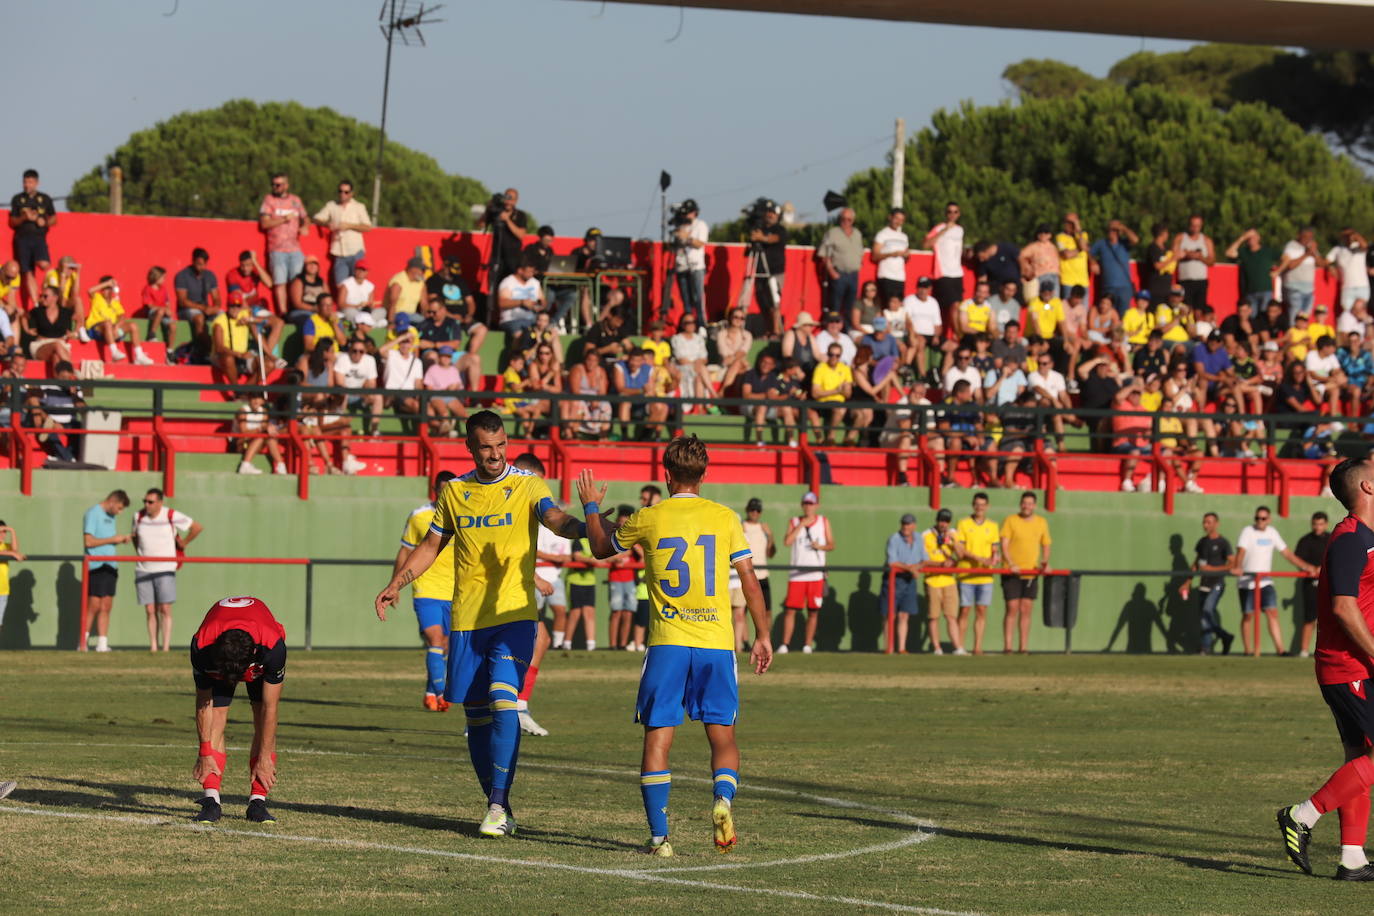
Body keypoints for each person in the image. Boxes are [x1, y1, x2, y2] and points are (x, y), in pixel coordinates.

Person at [374, 410, 588, 838]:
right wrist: (397, 582)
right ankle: (500, 805)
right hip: (468, 620)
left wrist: (590, 527)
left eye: (501, 445)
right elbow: (432, 544)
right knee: (474, 717)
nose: (495, 454)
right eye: (486, 447)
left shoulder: (526, 484)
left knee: (504, 700)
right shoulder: (453, 493)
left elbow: (555, 518)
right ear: (470, 447)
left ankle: (494, 804)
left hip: (514, 616)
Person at [576, 436, 773, 857]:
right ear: (705, 475)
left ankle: (660, 838)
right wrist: (762, 635)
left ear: (665, 476)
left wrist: (592, 508)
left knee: (658, 739)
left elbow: (598, 547)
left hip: (668, 644)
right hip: (716, 644)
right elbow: (751, 582)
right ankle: (722, 798)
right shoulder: (725, 518)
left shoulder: (650, 517)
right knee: (722, 736)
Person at [1276, 456, 1374, 881]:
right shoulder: (1352, 537)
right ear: (1367, 488)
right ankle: (1302, 814)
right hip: (1350, 665)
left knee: (1360, 757)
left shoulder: (1365, 535)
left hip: (1355, 665)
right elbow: (1344, 608)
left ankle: (1352, 858)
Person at [189, 595, 287, 825]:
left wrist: (265, 758)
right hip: (221, 656)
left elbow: (270, 709)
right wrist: (204, 752)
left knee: (260, 713)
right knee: (217, 718)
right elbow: (204, 704)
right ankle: (211, 800)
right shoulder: (202, 646)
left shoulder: (272, 647)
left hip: (259, 651)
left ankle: (258, 802)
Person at [393, 471, 460, 712]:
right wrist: (396, 584)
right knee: (434, 639)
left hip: (457, 591)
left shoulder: (463, 513)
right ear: (435, 490)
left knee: (447, 645)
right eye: (441, 490)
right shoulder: (419, 516)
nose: (444, 494)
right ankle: (442, 694)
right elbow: (405, 551)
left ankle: (431, 691)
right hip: (426, 589)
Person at [511, 452, 565, 736]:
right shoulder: (508, 502)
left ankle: (519, 707)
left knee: (540, 639)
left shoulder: (525, 505)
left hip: (520, 583)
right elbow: (504, 549)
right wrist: (535, 577)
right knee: (502, 649)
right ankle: (489, 715)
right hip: (503, 589)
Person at [1235, 505, 1318, 656]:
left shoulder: (1272, 533)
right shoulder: (1247, 531)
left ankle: (1280, 650)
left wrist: (1307, 567)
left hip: (1265, 581)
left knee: (1272, 612)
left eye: (1263, 518)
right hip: (1247, 581)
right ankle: (1248, 650)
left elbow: (1287, 554)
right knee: (1248, 615)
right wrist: (1238, 566)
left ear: (1269, 519)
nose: (1260, 521)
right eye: (1258, 518)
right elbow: (1241, 551)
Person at [131, 488, 203, 654]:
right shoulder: (138, 516)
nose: (146, 505)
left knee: (165, 608)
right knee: (150, 610)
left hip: (165, 568)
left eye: (150, 502)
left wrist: (184, 542)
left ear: (160, 502)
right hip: (144, 568)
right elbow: (135, 537)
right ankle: (154, 646)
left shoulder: (170, 514)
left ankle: (165, 647)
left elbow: (196, 527)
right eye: (145, 501)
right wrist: (140, 555)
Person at [781, 491, 832, 654]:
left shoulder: (823, 521)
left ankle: (807, 645)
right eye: (806, 503)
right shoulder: (794, 522)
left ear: (816, 505)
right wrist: (801, 525)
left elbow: (831, 544)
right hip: (797, 574)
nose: (809, 507)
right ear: (802, 505)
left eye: (811, 504)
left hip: (815, 575)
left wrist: (820, 547)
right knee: (790, 610)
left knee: (813, 611)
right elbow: (787, 542)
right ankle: (785, 644)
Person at [1000, 491, 1051, 654]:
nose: (1026, 506)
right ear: (1020, 504)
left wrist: (1044, 562)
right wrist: (1011, 563)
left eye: (1030, 503)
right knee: (1012, 607)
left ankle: (1023, 647)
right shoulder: (1010, 520)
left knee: (1026, 608)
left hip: (1031, 571)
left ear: (1034, 506)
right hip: (1012, 571)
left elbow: (1046, 544)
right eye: (1024, 503)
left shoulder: (1041, 522)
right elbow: (1004, 544)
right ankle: (1008, 646)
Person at [1181, 512, 1237, 656]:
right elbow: (1196, 564)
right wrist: (1188, 582)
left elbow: (1232, 562)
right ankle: (1220, 639)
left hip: (1217, 583)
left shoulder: (1223, 543)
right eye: (1204, 522)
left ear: (1216, 524)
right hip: (1203, 584)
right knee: (1203, 617)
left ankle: (1209, 645)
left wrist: (1213, 570)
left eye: (1209, 522)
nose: (1206, 525)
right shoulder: (1202, 542)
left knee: (1206, 612)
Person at [83, 490, 132, 652]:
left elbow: (107, 541)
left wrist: (120, 540)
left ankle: (102, 644)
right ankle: (82, 643)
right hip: (96, 566)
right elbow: (89, 542)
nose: (119, 512)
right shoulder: (93, 513)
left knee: (106, 605)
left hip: (111, 566)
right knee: (93, 605)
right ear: (112, 501)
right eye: (119, 508)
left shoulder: (111, 517)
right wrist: (114, 539)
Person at [954, 492, 1001, 656]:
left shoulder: (993, 526)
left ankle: (977, 647)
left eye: (982, 504)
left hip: (985, 575)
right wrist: (979, 558)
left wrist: (995, 556)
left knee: (981, 610)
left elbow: (994, 548)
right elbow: (960, 550)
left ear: (987, 506)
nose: (979, 507)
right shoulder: (963, 523)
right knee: (965, 610)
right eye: (977, 504)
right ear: (973, 505)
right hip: (966, 573)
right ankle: (960, 647)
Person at [258, 172, 308, 310]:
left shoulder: (295, 200)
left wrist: (304, 226)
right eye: (273, 184)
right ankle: (283, 312)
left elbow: (305, 217)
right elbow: (264, 224)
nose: (275, 187)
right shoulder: (269, 200)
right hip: (277, 249)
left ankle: (296, 310)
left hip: (295, 248)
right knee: (280, 283)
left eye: (278, 184)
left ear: (286, 185)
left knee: (297, 282)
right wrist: (284, 219)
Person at [881, 513, 927, 654]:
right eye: (904, 524)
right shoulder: (894, 539)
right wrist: (911, 568)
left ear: (914, 525)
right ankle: (889, 647)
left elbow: (924, 559)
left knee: (904, 615)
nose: (905, 527)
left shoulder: (919, 538)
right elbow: (892, 562)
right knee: (890, 614)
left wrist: (916, 568)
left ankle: (901, 648)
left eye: (908, 524)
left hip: (909, 580)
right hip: (894, 579)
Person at [10, 169, 57, 306]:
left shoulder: (45, 199)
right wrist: (24, 217)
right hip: (23, 238)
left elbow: (54, 218)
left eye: (30, 182)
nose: (27, 185)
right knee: (27, 271)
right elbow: (13, 222)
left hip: (39, 238)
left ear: (36, 183)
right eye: (25, 182)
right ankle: (36, 303)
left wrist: (44, 222)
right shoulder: (18, 199)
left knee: (44, 264)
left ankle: (47, 292)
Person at [312, 179, 372, 284]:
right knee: (341, 285)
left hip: (355, 251)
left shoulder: (359, 207)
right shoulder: (331, 205)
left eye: (346, 192)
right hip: (339, 252)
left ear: (351, 194)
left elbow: (367, 227)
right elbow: (316, 218)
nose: (342, 194)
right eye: (340, 191)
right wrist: (327, 224)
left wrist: (349, 226)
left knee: (357, 284)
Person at [478, 188, 530, 307]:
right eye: (506, 197)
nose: (508, 201)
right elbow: (481, 225)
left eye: (511, 198)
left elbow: (521, 234)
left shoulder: (520, 215)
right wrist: (488, 209)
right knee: (495, 286)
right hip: (497, 256)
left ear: (516, 201)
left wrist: (507, 220)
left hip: (513, 258)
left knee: (510, 286)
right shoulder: (496, 212)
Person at [921, 508, 963, 655]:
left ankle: (958, 648)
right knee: (934, 616)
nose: (943, 524)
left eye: (946, 521)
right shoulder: (926, 535)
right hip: (932, 580)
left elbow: (961, 555)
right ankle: (937, 648)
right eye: (941, 520)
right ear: (936, 520)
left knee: (951, 616)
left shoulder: (953, 534)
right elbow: (923, 560)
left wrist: (952, 541)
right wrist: (940, 564)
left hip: (949, 580)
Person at [85, 276, 154, 365]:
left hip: (113, 331)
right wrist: (107, 283)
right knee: (107, 323)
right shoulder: (97, 297)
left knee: (133, 325)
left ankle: (139, 355)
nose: (106, 291)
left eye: (108, 289)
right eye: (104, 289)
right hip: (96, 330)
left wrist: (117, 326)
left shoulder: (115, 302)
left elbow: (122, 316)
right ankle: (114, 352)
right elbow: (90, 291)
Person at [1294, 511, 1332, 659]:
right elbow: (1298, 560)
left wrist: (1323, 569)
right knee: (1309, 618)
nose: (1318, 527)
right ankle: (1304, 650)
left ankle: (1328, 650)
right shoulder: (1305, 540)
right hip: (1310, 584)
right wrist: (1310, 568)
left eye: (1321, 524)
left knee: (1330, 619)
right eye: (1315, 524)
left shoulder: (1331, 539)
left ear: (1326, 524)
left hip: (1329, 583)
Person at [739, 498, 775, 649]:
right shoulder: (742, 527)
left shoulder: (764, 528)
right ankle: (745, 642)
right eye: (752, 510)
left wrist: (770, 536)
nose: (754, 513)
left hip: (763, 575)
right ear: (747, 510)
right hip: (747, 574)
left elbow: (771, 553)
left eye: (757, 510)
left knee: (766, 611)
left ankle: (766, 639)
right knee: (744, 611)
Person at [749, 204, 788, 338]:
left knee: (774, 301)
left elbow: (775, 238)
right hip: (760, 271)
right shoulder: (760, 228)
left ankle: (776, 331)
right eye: (768, 212)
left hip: (775, 271)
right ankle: (768, 329)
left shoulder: (780, 229)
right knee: (763, 302)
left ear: (777, 216)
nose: (770, 215)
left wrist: (762, 238)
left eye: (773, 213)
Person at [1274, 226, 1328, 321]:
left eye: (1310, 237)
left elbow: (1321, 264)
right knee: (1295, 318)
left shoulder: (1311, 248)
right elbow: (1290, 265)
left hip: (1309, 290)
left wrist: (1314, 252)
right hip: (1294, 288)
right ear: (1299, 235)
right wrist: (1306, 254)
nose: (1308, 240)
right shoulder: (1291, 246)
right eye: (1305, 237)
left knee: (1304, 319)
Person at [818, 208, 863, 318]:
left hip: (853, 274)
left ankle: (846, 331)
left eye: (849, 219)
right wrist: (832, 271)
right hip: (839, 273)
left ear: (853, 220)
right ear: (839, 219)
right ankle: (833, 329)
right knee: (835, 306)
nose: (846, 221)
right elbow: (824, 254)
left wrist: (860, 265)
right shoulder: (832, 233)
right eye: (843, 219)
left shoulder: (857, 234)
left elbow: (860, 251)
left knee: (850, 306)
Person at [670, 200, 709, 325]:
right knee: (686, 299)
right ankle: (688, 324)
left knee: (698, 297)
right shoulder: (680, 226)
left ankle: (701, 324)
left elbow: (700, 243)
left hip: (695, 266)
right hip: (681, 265)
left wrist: (686, 237)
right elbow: (672, 246)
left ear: (695, 213)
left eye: (689, 213)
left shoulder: (700, 225)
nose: (686, 216)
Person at [925, 202, 966, 318]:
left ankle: (958, 335)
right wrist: (944, 231)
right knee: (950, 306)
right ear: (945, 214)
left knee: (958, 306)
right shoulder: (939, 228)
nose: (952, 214)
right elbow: (926, 244)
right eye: (949, 212)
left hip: (957, 273)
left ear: (959, 214)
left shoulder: (960, 230)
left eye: (955, 212)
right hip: (944, 272)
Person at [1225, 228, 1281, 312]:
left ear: (1259, 238)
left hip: (1265, 291)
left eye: (1253, 237)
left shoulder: (1267, 251)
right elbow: (1228, 253)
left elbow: (1286, 258)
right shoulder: (1244, 252)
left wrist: (1278, 271)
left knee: (1264, 317)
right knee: (1251, 318)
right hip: (1250, 292)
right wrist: (1242, 238)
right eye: (1249, 237)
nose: (1251, 239)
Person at [1090, 219, 1139, 311]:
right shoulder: (1101, 244)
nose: (1112, 232)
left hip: (1124, 288)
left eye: (1114, 230)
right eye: (1110, 229)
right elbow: (1089, 252)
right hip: (1108, 287)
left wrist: (1123, 228)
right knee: (1107, 314)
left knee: (1123, 316)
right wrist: (1093, 262)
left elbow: (1135, 240)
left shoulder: (1124, 243)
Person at [174, 248, 219, 341]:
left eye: (204, 264)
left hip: (205, 309)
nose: (202, 267)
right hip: (186, 310)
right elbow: (182, 301)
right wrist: (203, 308)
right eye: (199, 264)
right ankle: (201, 348)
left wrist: (215, 307)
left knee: (223, 316)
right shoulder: (182, 276)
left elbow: (216, 297)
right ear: (193, 261)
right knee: (199, 318)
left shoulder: (210, 275)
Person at [1172, 215, 1215, 309]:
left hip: (1201, 280)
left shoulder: (1206, 240)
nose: (1195, 228)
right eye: (1193, 225)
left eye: (1198, 226)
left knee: (1199, 310)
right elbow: (1172, 257)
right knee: (1186, 308)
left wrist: (1200, 257)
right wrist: (1187, 255)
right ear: (1188, 225)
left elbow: (1212, 261)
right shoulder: (1180, 238)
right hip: (1184, 280)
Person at [497, 257, 545, 336]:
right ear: (520, 270)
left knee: (551, 334)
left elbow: (543, 300)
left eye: (532, 272)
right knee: (522, 335)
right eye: (529, 272)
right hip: (512, 320)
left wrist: (540, 305)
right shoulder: (508, 282)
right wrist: (521, 302)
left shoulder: (535, 282)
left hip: (533, 320)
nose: (531, 274)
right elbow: (501, 303)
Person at [871, 208, 909, 306]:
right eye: (896, 218)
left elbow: (906, 257)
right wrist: (892, 254)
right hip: (886, 275)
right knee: (887, 305)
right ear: (890, 218)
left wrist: (906, 256)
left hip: (900, 277)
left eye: (901, 220)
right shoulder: (882, 234)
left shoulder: (904, 236)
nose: (898, 222)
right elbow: (874, 256)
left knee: (898, 307)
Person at [0, 520, 25, 638]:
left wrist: (12, 531)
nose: (3, 535)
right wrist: (11, 553)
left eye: (5, 532)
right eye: (1, 532)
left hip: (3, 590)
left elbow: (15, 550)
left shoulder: (5, 546)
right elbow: (12, 553)